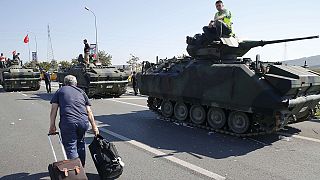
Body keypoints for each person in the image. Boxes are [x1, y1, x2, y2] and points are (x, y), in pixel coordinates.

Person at [49, 75, 99, 166]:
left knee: (71, 146)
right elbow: (89, 111)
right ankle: (81, 168)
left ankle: (76, 171)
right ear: (75, 83)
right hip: (83, 123)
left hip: (68, 123)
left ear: (65, 83)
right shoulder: (81, 92)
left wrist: (52, 125)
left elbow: (54, 109)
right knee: (80, 143)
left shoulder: (60, 91)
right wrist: (94, 126)